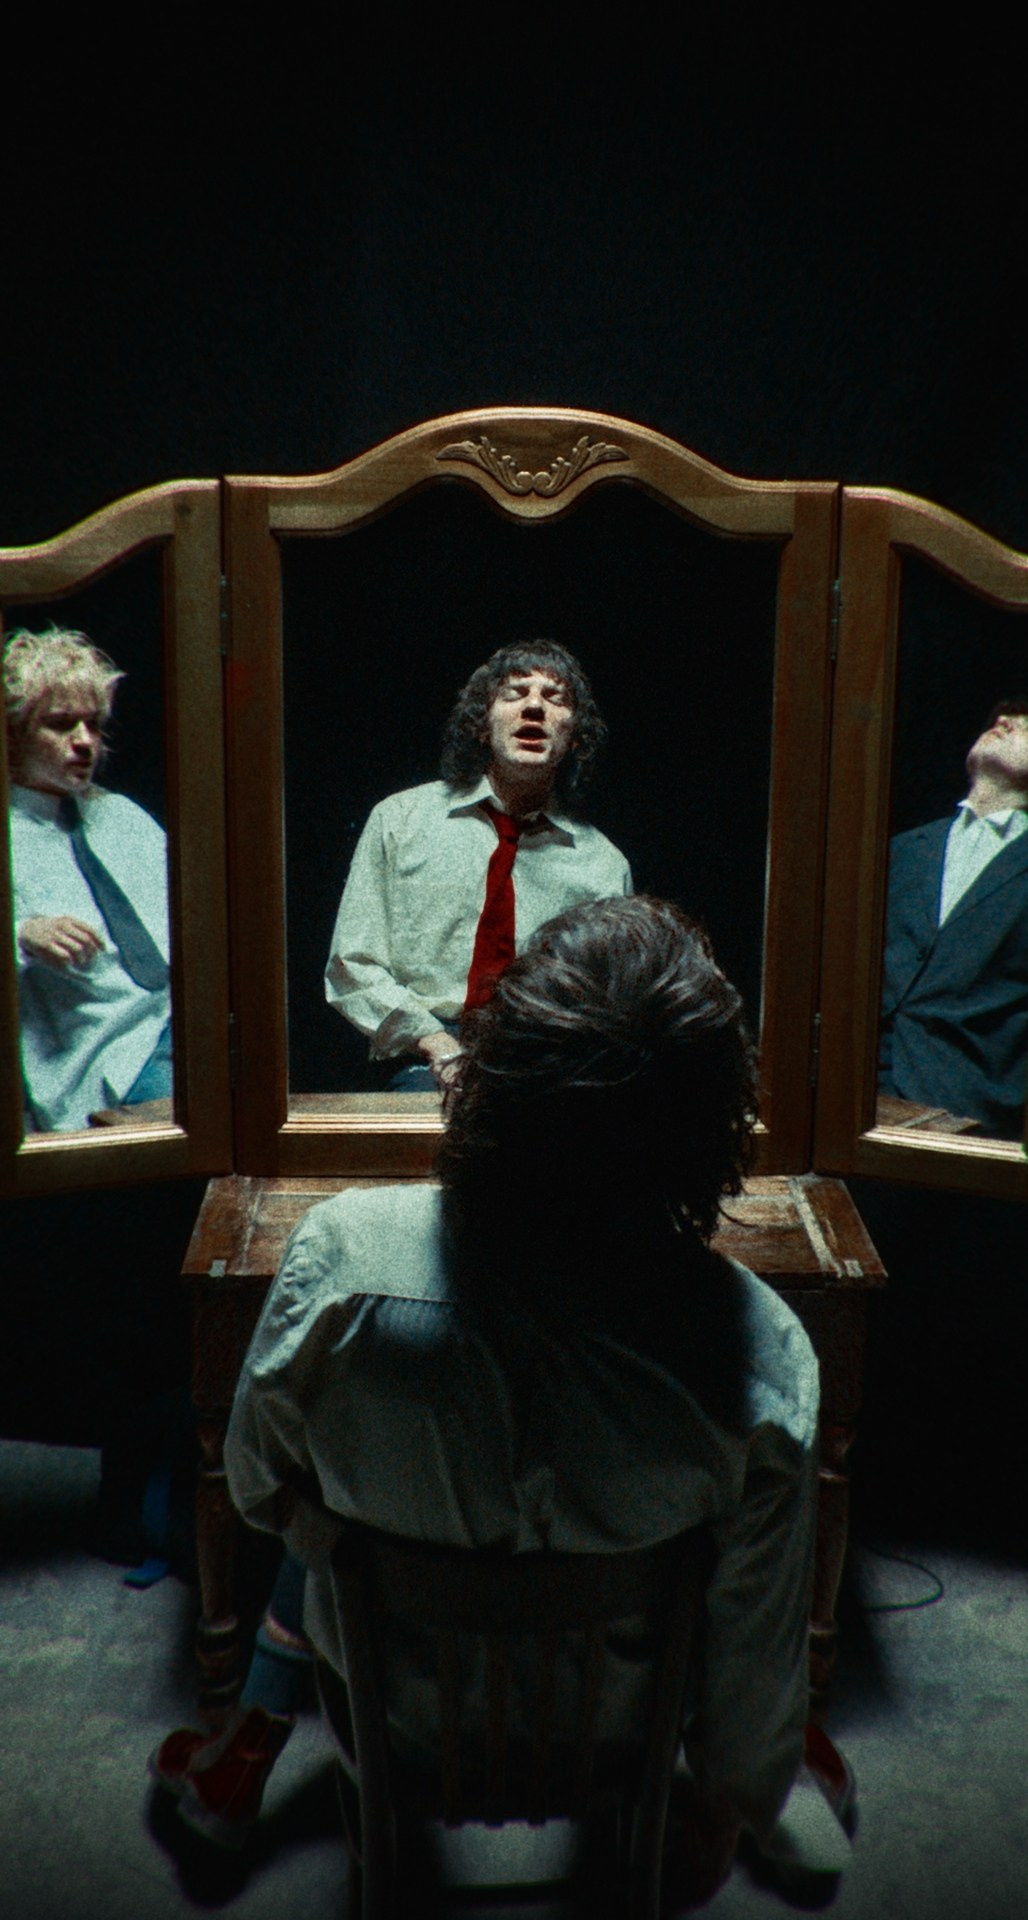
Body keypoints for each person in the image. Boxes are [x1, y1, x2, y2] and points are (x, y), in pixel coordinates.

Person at [151, 896, 852, 1899]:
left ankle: (249, 1743)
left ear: (493, 1071)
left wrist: (350, 1520)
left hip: (393, 1718)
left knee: (326, 1482)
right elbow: (752, 1634)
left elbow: (257, 1488)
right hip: (623, 1731)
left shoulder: (342, 1263)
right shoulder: (764, 1352)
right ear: (710, 1123)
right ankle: (776, 1787)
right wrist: (732, 1795)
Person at [325, 640, 631, 1089]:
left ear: (574, 738)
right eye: (514, 693)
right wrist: (433, 1041)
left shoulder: (602, 865)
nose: (534, 707)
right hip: (423, 1052)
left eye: (555, 698)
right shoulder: (401, 820)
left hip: (548, 1062)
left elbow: (609, 1004)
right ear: (483, 726)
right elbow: (353, 963)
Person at [4, 627, 172, 1132]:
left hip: (182, 1025)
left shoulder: (122, 817)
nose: (84, 742)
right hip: (106, 1055)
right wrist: (20, 933)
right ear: (12, 733)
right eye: (60, 724)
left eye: (93, 725)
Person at [879, 696, 1028, 1137]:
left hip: (971, 1112)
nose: (1005, 722)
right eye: (1001, 718)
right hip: (862, 1101)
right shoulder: (903, 849)